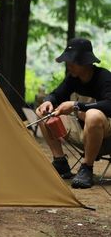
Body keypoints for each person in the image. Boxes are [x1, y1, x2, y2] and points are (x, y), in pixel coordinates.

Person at [36, 38, 111, 189]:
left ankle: (87, 168)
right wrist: (48, 101)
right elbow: (56, 95)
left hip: (106, 137)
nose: (68, 65)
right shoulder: (73, 79)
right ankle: (60, 162)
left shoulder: (104, 77)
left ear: (86, 62)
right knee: (43, 112)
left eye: (73, 62)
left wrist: (77, 105)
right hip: (82, 132)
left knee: (93, 115)